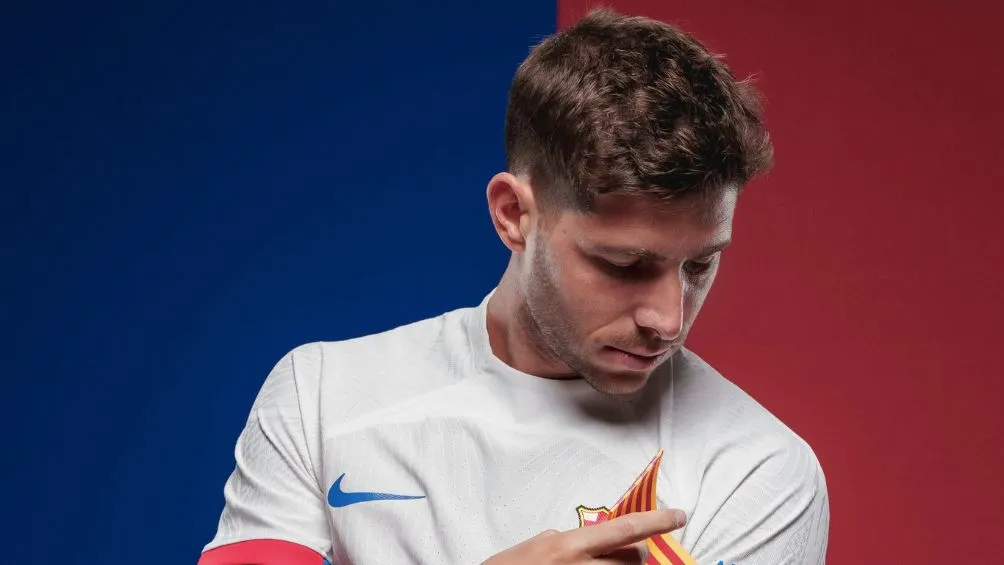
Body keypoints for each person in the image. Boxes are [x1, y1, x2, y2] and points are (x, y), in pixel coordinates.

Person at [198, 8, 829, 565]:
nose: (668, 318)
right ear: (513, 215)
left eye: (699, 266)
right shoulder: (322, 397)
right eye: (624, 264)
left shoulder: (759, 470)